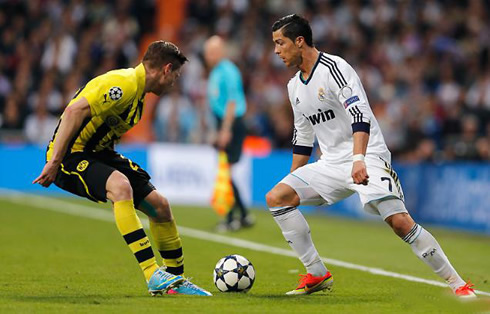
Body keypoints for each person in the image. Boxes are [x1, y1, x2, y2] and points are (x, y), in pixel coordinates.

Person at [267, 14, 476, 298]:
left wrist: (359, 159)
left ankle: (457, 284)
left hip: (368, 155)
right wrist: (293, 180)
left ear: (299, 41)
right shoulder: (294, 87)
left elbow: (359, 114)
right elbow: (303, 139)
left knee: (400, 222)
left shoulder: (335, 68)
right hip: (330, 164)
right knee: (277, 197)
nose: (277, 51)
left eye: (280, 43)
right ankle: (316, 273)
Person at [33, 41, 211, 296]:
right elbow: (73, 111)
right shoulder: (124, 84)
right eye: (175, 75)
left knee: (160, 206)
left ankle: (175, 281)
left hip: (100, 154)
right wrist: (54, 162)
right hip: (71, 156)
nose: (174, 82)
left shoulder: (138, 96)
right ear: (166, 69)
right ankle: (152, 274)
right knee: (120, 186)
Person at [204, 35, 254, 232]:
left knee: (226, 171)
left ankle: (231, 217)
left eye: (213, 52)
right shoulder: (216, 72)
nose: (209, 56)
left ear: (221, 51)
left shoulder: (228, 71)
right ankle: (243, 215)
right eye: (208, 52)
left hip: (232, 123)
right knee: (226, 171)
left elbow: (232, 102)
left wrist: (225, 130)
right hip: (223, 122)